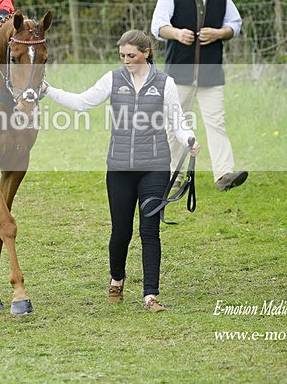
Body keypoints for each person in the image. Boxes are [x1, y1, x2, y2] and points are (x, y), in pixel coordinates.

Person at [43, 30, 200, 313]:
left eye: (132, 55)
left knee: (150, 231)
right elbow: (82, 103)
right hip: (119, 168)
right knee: (121, 232)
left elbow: (178, 121)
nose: (126, 60)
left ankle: (151, 295)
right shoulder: (113, 79)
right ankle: (117, 279)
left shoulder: (165, 84)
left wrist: (189, 139)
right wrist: (47, 90)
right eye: (122, 56)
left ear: (146, 53)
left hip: (154, 167)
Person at [150, 0, 248, 191]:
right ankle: (173, 177)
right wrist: (176, 33)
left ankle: (224, 175)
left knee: (217, 122)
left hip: (211, 73)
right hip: (178, 73)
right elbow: (157, 26)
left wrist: (219, 33)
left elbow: (235, 25)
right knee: (174, 124)